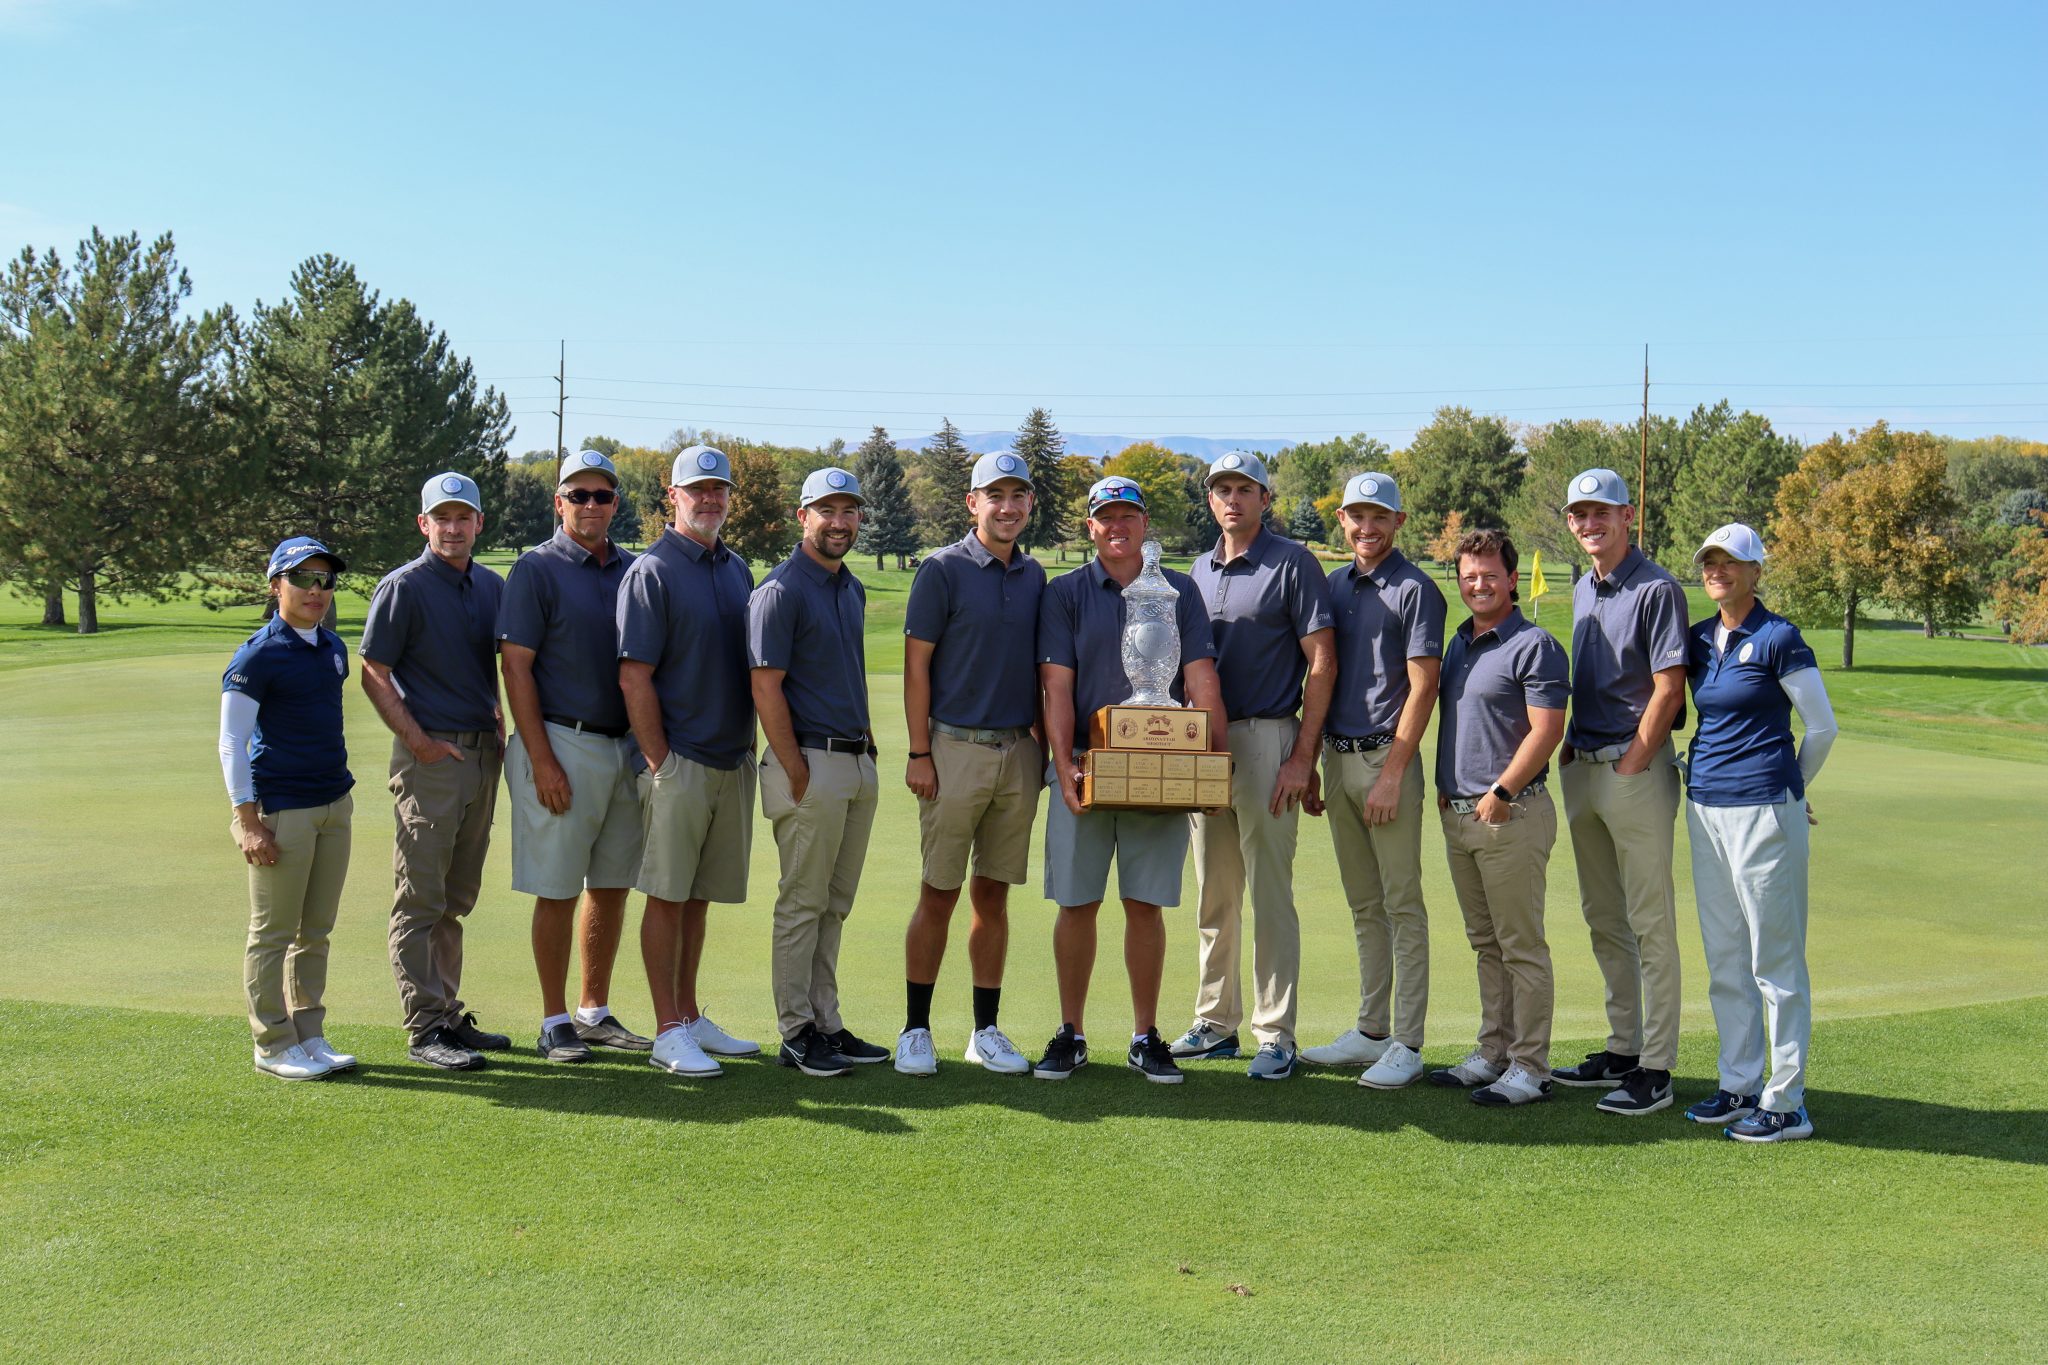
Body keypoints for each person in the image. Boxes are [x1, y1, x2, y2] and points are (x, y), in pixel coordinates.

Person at [1033, 476, 1227, 1085]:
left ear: (1146, 524)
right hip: (1089, 769)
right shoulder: (1064, 593)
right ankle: (1072, 1033)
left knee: (1145, 906)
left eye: (1129, 516)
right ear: (1090, 526)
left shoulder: (1179, 592)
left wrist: (1211, 766)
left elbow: (1199, 679)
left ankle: (1145, 1036)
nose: (1117, 526)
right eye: (1105, 517)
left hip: (1158, 771)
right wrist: (1063, 765)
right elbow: (1056, 686)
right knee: (1076, 904)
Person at [1170, 452, 1335, 1082]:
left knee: (1269, 894)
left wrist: (1302, 756)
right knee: (1215, 892)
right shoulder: (1195, 571)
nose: (1232, 499)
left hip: (1268, 740)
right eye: (1221, 490)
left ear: (1265, 498)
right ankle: (1215, 1023)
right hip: (1203, 746)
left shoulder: (1293, 563)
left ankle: (1275, 1034)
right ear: (1210, 501)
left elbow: (1321, 661)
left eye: (1244, 489)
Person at [1680, 524, 1836, 1143]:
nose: (1717, 570)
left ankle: (1786, 1100)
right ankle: (1739, 1083)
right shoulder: (1697, 638)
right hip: (1705, 807)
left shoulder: (1779, 637)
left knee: (1774, 960)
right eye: (1709, 561)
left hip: (1765, 807)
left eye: (1730, 562)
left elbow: (1820, 728)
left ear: (1755, 571)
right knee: (1724, 957)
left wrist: (1793, 791)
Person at [895, 452, 1046, 1077]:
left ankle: (984, 1030)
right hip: (952, 747)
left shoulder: (1036, 575)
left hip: (1019, 751)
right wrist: (919, 751)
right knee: (939, 892)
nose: (1007, 507)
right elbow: (916, 665)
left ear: (1029, 505)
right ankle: (915, 1029)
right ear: (972, 503)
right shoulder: (941, 569)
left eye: (1018, 496)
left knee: (994, 895)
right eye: (995, 496)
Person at [499, 450, 652, 1064]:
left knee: (612, 885)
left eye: (602, 495)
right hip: (562, 741)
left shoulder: (635, 569)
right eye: (579, 495)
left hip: (625, 747)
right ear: (558, 502)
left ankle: (593, 1010)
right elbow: (516, 667)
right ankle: (553, 1018)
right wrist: (541, 759)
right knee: (557, 889)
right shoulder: (535, 569)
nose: (591, 505)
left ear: (616, 503)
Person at [617, 446, 763, 1080]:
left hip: (732, 757)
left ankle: (689, 1013)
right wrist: (659, 761)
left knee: (700, 897)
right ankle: (666, 1029)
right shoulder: (651, 571)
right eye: (696, 490)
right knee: (668, 897)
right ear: (670, 496)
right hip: (680, 762)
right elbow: (633, 676)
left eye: (718, 490)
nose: (709, 499)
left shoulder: (735, 569)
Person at [1300, 472, 1447, 1089]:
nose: (1367, 528)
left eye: (1378, 517)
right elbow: (1321, 674)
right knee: (1365, 905)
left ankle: (1408, 1043)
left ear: (1399, 522)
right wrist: (1309, 759)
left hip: (1387, 760)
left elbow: (1424, 685)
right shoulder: (1333, 585)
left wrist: (1392, 774)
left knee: (1402, 904)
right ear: (1341, 520)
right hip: (1337, 758)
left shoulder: (1416, 590)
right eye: (1356, 517)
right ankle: (1371, 1030)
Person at [1553, 467, 1691, 1117]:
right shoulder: (1585, 585)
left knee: (1650, 921)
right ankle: (1624, 1045)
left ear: (1628, 515)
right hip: (1584, 765)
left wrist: (1635, 761)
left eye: (1601, 511)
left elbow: (1668, 688)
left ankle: (1657, 1067)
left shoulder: (1657, 587)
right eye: (1579, 514)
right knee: (1604, 917)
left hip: (1632, 772)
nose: (1589, 523)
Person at [360, 471, 509, 1071]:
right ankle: (424, 1029)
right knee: (419, 899)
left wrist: (500, 716)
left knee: (455, 897)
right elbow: (373, 671)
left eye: (462, 517)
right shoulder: (403, 587)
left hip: (482, 756)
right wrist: (419, 744)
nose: (452, 528)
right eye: (440, 518)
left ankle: (447, 1014)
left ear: (478, 523)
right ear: (424, 525)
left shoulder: (492, 587)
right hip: (433, 760)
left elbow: (506, 666)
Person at [749, 467, 890, 1078]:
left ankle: (826, 1021)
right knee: (803, 902)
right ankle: (795, 1030)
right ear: (802, 516)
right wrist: (793, 767)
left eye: (849, 511)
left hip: (854, 760)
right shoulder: (779, 591)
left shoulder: (849, 587)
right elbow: (765, 685)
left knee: (834, 903)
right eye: (826, 511)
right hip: (807, 763)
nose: (839, 523)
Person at [1426, 529, 1569, 1107]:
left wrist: (1502, 791)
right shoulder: (1460, 642)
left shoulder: (1535, 645)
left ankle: (1531, 1067)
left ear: (1512, 579)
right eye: (1468, 577)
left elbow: (1547, 729)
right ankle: (1494, 1052)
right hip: (1460, 816)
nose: (1477, 585)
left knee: (1521, 945)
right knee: (1486, 943)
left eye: (1488, 575)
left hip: (1510, 813)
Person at [221, 537, 357, 1081]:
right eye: (303, 579)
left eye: (325, 580)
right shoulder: (258, 654)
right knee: (273, 932)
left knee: (316, 930)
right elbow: (233, 741)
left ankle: (309, 1033)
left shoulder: (334, 647)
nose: (316, 590)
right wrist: (246, 819)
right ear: (276, 584)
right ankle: (272, 1044)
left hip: (333, 804)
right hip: (283, 810)